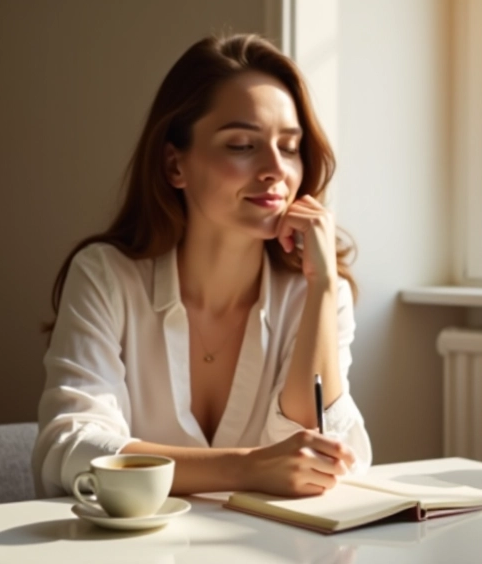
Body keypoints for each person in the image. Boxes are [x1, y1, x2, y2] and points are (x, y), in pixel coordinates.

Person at [32, 33, 371, 499]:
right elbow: (70, 448)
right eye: (242, 145)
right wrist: (246, 468)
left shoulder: (316, 291)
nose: (276, 169)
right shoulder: (105, 276)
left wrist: (323, 288)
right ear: (175, 165)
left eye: (290, 147)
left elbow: (316, 458)